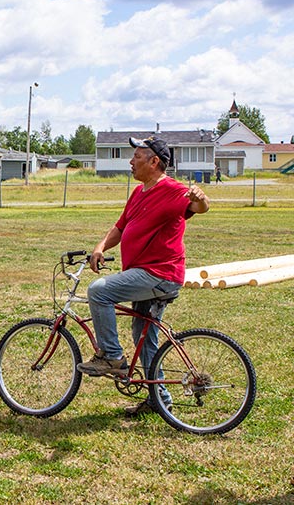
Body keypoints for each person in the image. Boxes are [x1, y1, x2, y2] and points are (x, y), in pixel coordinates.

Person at [77, 136, 210, 415]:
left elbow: (198, 207)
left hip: (158, 274)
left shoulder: (173, 189)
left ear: (154, 161)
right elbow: (120, 227)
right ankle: (159, 400)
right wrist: (100, 247)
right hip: (142, 273)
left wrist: (201, 199)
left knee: (99, 290)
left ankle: (111, 356)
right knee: (143, 336)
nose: (131, 161)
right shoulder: (139, 192)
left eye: (137, 157)